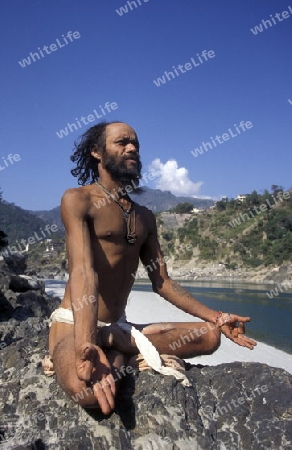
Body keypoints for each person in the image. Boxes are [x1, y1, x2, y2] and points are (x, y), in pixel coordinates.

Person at [47, 121, 257, 415]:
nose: (132, 148)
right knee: (89, 393)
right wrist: (85, 341)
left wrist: (219, 317)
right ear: (96, 151)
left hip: (117, 326)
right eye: (122, 142)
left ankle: (117, 346)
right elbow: (84, 272)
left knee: (210, 335)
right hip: (74, 325)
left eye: (135, 144)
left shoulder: (144, 216)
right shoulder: (78, 200)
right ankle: (117, 352)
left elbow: (163, 282)